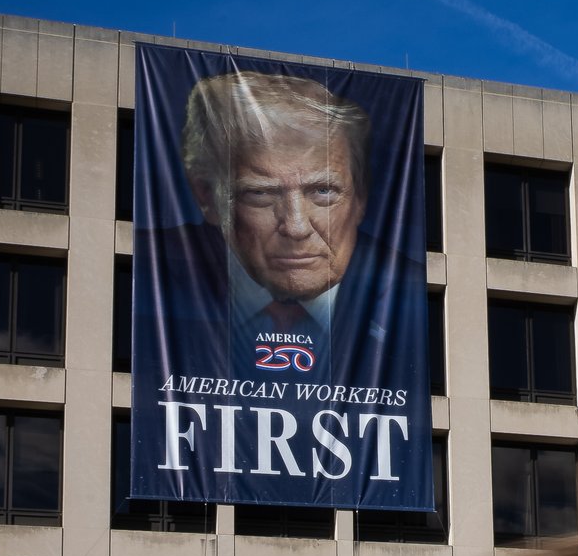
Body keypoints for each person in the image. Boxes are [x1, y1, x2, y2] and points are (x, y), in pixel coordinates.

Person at [149, 68, 429, 402]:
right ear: (207, 197)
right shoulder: (150, 273)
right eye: (261, 194)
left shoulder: (415, 297)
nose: (296, 227)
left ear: (360, 197)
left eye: (323, 191)